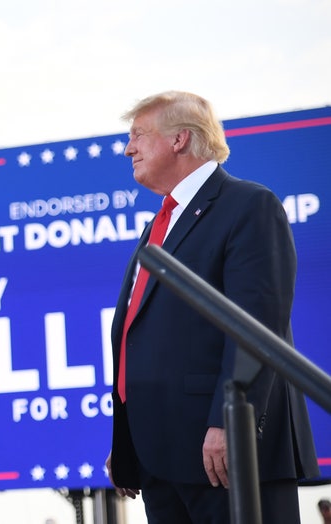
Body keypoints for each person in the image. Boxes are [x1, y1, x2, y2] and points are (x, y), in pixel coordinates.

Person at [104, 91, 319, 523]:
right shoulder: (158, 225)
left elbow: (258, 324)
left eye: (138, 135)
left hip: (222, 452)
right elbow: (142, 335)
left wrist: (227, 423)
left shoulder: (248, 206)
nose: (129, 148)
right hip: (160, 458)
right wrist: (127, 438)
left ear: (180, 138)